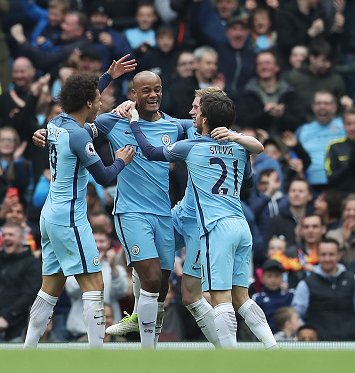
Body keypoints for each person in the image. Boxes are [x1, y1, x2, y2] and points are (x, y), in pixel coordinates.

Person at [109, 86, 264, 347]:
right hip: (181, 212)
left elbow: (250, 168)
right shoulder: (192, 128)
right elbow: (159, 118)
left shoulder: (225, 137)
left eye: (196, 107)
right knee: (146, 254)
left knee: (192, 296)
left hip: (203, 225)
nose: (190, 111)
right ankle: (140, 313)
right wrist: (130, 104)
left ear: (206, 114)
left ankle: (228, 351)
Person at [22, 71, 135, 349]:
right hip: (70, 218)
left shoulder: (56, 123)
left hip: (50, 214)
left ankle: (26, 351)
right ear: (88, 102)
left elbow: (90, 114)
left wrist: (108, 77)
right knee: (95, 286)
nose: (101, 103)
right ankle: (97, 353)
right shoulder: (78, 135)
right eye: (98, 99)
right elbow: (105, 177)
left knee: (50, 288)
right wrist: (121, 160)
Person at [291, 237, 355, 340]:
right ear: (317, 256)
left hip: (350, 343)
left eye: (331, 254)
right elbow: (296, 316)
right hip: (319, 346)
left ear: (339, 255)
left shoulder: (352, 279)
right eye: (323, 255)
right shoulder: (306, 283)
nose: (327, 259)